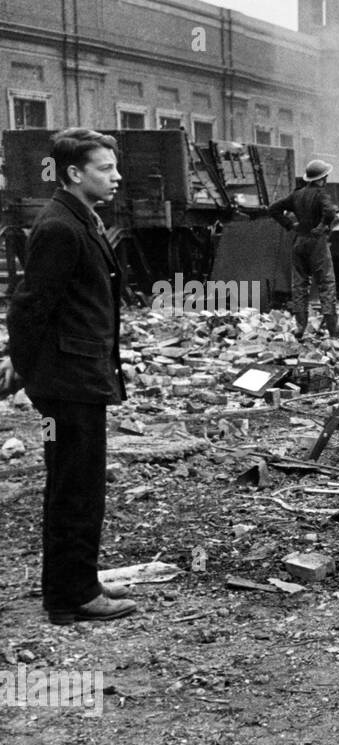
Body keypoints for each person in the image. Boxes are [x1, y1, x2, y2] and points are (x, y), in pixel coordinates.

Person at [5, 127, 137, 624]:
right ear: (75, 173)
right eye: (106, 168)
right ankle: (70, 596)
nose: (117, 176)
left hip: (77, 380)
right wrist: (30, 375)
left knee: (77, 483)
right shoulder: (61, 226)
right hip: (67, 387)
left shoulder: (79, 217)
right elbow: (29, 308)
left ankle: (74, 582)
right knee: (74, 486)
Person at [267, 158, 339, 339]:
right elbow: (329, 213)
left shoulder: (296, 195)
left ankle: (300, 327)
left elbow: (273, 209)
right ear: (324, 177)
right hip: (317, 243)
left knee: (299, 285)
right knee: (326, 284)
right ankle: (334, 329)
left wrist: (290, 225)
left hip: (299, 242)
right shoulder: (321, 194)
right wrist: (321, 227)